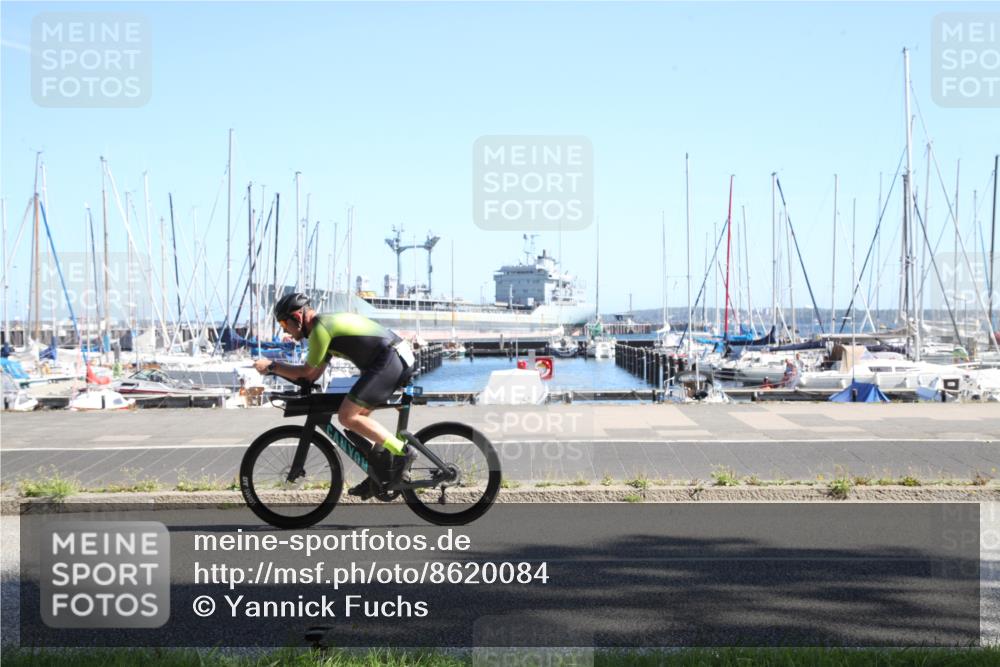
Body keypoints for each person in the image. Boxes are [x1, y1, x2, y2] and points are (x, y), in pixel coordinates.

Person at [254, 292, 416, 500]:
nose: (284, 328)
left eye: (284, 323)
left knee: (347, 416)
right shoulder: (323, 329)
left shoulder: (320, 329)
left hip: (389, 359)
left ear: (297, 317)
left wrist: (272, 366)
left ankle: (403, 452)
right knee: (359, 420)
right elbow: (312, 375)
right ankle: (379, 475)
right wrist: (282, 372)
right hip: (390, 359)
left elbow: (305, 372)